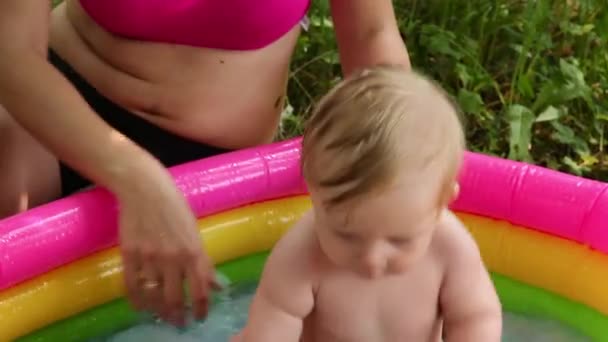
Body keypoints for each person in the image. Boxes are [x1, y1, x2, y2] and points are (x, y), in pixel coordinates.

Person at [0, 0, 411, 327]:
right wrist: (138, 179)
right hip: (55, 119)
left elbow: (371, 35)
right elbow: (12, 55)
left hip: (215, 166)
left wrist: (405, 167)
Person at [231, 66, 502, 342]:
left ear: (440, 204)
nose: (372, 260)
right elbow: (272, 329)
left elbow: (476, 317)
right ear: (313, 193)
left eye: (400, 240)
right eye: (346, 236)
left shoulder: (449, 247)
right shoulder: (300, 256)